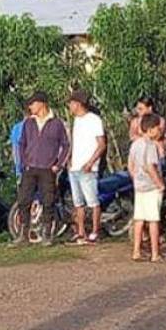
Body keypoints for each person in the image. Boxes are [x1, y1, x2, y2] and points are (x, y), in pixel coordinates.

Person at [13, 91, 69, 246]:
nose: (30, 107)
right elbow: (21, 144)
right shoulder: (28, 123)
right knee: (24, 200)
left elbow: (65, 145)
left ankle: (47, 234)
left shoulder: (57, 123)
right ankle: (23, 234)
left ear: (42, 103)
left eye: (33, 103)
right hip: (30, 168)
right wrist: (24, 162)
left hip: (47, 169)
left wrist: (58, 165)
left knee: (48, 201)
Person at [67, 90, 106, 245]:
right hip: (75, 167)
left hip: (88, 168)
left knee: (92, 201)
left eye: (71, 103)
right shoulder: (76, 120)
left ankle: (95, 231)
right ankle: (81, 232)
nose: (69, 106)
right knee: (78, 203)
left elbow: (101, 144)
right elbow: (74, 143)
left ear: (78, 103)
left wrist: (90, 162)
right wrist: (70, 159)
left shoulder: (94, 120)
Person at [129, 113, 166, 263]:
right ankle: (155, 253)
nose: (160, 131)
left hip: (139, 186)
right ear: (151, 130)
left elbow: (131, 165)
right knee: (153, 220)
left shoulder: (135, 144)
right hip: (151, 187)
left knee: (139, 219)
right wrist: (160, 184)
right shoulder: (150, 145)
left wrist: (136, 179)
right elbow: (150, 167)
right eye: (158, 128)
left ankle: (136, 251)